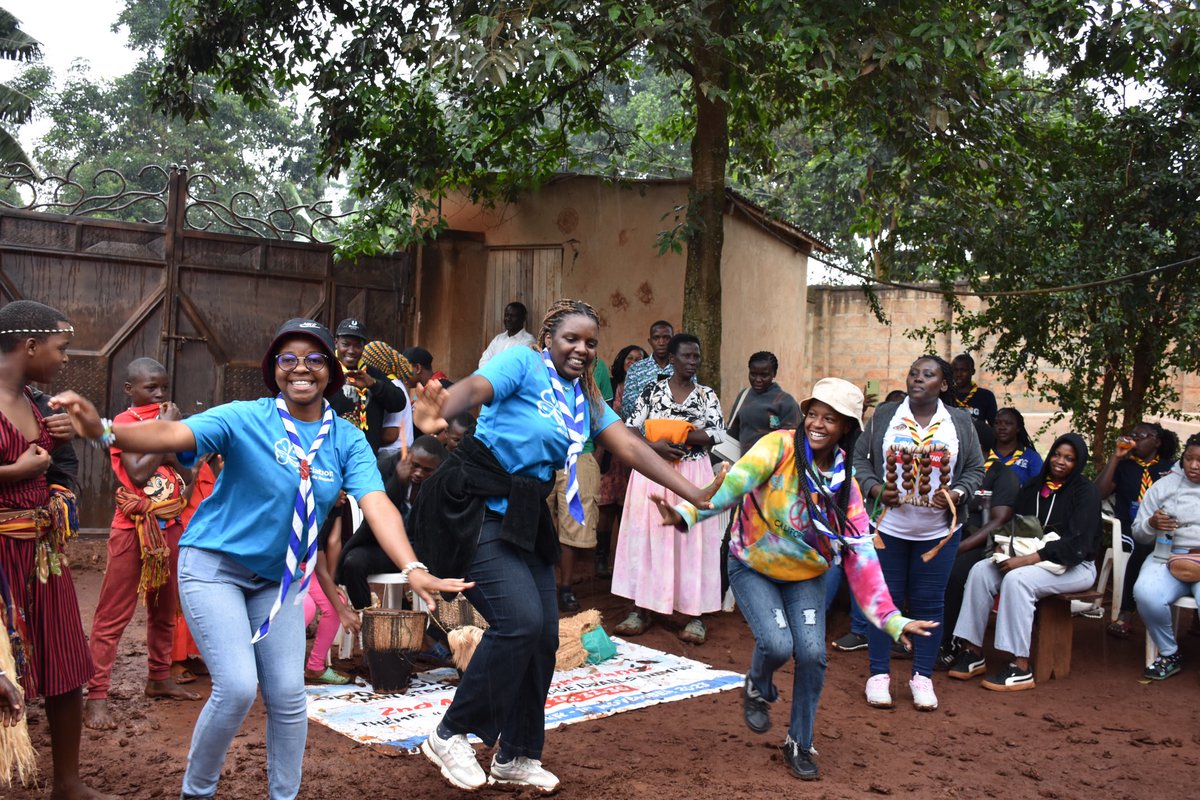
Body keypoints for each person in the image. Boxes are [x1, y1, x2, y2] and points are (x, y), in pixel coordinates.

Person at [50, 317, 469, 800]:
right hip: (215, 567)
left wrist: (413, 568)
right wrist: (101, 430)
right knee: (236, 687)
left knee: (290, 698)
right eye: (288, 359)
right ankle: (198, 792)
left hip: (281, 579)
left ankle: (283, 796)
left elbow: (376, 504)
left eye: (314, 359)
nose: (301, 369)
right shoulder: (243, 417)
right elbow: (169, 437)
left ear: (331, 371)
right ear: (275, 370)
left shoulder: (346, 440)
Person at [407, 299, 723, 794]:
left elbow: (633, 447)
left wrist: (698, 494)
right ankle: (450, 734)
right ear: (548, 338)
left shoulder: (585, 395)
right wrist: (443, 405)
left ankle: (516, 755)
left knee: (545, 638)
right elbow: (477, 386)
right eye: (571, 338)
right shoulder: (522, 363)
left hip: (524, 512)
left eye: (591, 343)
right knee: (520, 623)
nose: (581, 349)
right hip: (472, 504)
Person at [651, 378, 937, 780]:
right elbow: (735, 483)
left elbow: (862, 557)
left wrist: (892, 619)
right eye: (813, 414)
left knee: (814, 655)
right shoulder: (779, 446)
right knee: (776, 644)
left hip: (806, 576)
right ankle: (757, 682)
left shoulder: (845, 487)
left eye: (830, 418)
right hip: (753, 565)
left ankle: (799, 742)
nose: (817, 424)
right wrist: (686, 512)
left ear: (847, 428)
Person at [0, 299, 110, 800]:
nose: (64, 359)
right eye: (59, 348)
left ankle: (67, 782)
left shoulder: (44, 407)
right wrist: (14, 473)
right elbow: (27, 471)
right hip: (0, 561)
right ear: (29, 346)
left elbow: (65, 477)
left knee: (66, 664)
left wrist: (61, 453)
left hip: (43, 558)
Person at [853, 355, 985, 711]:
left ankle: (922, 677)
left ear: (943, 385)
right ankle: (879, 675)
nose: (917, 379)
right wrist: (875, 489)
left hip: (938, 534)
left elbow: (975, 468)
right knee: (885, 601)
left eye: (928, 375)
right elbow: (860, 460)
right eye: (914, 373)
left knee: (930, 604)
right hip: (888, 529)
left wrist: (957, 494)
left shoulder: (957, 422)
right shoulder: (885, 415)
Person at [83, 358, 200, 732]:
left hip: (171, 527)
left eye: (164, 388)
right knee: (112, 614)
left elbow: (189, 474)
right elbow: (135, 473)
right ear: (129, 389)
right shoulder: (121, 425)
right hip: (133, 530)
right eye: (151, 388)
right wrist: (165, 433)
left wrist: (170, 443)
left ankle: (159, 678)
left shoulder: (171, 421)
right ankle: (97, 695)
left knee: (165, 608)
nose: (160, 395)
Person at [949, 433, 1100, 691]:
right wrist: (1001, 548)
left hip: (1074, 566)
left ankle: (1019, 665)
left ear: (1079, 462)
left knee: (1017, 581)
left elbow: (1078, 544)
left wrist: (1026, 560)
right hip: (1026, 558)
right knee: (981, 571)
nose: (1060, 461)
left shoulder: (1085, 492)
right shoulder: (1033, 487)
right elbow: (1012, 527)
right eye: (1056, 454)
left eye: (1069, 458)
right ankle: (972, 651)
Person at [612, 333, 727, 644]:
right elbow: (630, 428)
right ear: (672, 359)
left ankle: (695, 614)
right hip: (653, 472)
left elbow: (717, 433)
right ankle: (640, 608)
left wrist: (680, 436)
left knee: (692, 540)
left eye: (696, 357)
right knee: (648, 537)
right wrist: (655, 447)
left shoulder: (706, 395)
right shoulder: (652, 390)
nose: (692, 362)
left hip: (694, 474)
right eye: (686, 356)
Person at [937, 422, 1020, 669]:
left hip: (978, 543)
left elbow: (999, 522)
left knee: (954, 574)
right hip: (942, 536)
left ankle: (950, 642)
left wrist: (958, 548)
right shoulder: (950, 471)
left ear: (979, 447)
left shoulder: (1003, 475)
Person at [337, 436, 449, 610]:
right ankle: (368, 618)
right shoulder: (387, 467)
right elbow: (376, 514)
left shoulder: (445, 478)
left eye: (427, 470)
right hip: (387, 547)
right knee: (353, 562)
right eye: (415, 466)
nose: (419, 473)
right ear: (408, 456)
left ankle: (432, 627)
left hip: (424, 550)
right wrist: (397, 481)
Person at [1095, 421, 1178, 639]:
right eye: (1132, 436)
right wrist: (1116, 457)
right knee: (1141, 544)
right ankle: (1126, 612)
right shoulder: (1124, 467)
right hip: (1129, 528)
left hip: (1164, 528)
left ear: (1157, 441)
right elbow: (1099, 494)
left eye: (1140, 436)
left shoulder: (1170, 469)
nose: (1134, 440)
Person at [1132, 433, 1200, 680]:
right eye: (1189, 458)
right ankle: (1170, 653)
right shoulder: (1164, 486)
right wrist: (1151, 522)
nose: (1193, 466)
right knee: (1146, 592)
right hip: (1165, 555)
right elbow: (1139, 533)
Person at [551, 356, 612, 612]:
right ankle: (541, 585)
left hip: (581, 455)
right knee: (537, 522)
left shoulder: (598, 369)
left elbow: (603, 415)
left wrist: (595, 456)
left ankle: (565, 588)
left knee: (574, 526)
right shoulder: (535, 365)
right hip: (542, 454)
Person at [596, 344, 647, 577]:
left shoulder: (648, 388)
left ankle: (625, 563)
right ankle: (601, 559)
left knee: (630, 508)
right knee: (606, 507)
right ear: (622, 361)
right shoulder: (612, 385)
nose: (634, 362)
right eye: (630, 358)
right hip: (611, 455)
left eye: (640, 359)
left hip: (636, 455)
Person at [329, 320, 408, 453]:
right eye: (345, 344)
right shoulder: (327, 371)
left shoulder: (373, 374)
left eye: (357, 346)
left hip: (365, 455)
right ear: (336, 342)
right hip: (331, 452)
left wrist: (373, 384)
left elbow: (399, 402)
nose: (351, 351)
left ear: (364, 347)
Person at [726, 351, 802, 455]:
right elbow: (732, 433)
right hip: (744, 467)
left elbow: (794, 441)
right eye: (753, 374)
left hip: (775, 468)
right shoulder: (744, 396)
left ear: (774, 374)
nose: (758, 380)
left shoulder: (786, 402)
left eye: (764, 375)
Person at [362, 340, 415, 456]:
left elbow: (391, 434)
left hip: (392, 454)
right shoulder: (392, 384)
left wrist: (364, 434)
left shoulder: (393, 387)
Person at [620, 320, 676, 419]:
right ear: (650, 341)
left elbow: (691, 404)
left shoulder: (682, 368)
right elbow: (627, 408)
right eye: (656, 338)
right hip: (643, 432)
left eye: (666, 338)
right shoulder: (636, 369)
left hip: (675, 431)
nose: (661, 342)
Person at [988, 407, 1043, 487]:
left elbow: (1037, 487)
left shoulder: (1031, 457)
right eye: (997, 423)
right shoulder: (984, 453)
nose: (1001, 427)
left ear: (1018, 428)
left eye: (1008, 423)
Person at [479, 301, 535, 367]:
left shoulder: (528, 341)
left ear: (523, 318)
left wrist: (493, 371)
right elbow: (483, 361)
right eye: (506, 315)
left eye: (513, 316)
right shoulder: (498, 339)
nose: (508, 319)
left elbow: (514, 367)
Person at [950, 354, 998, 427]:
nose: (959, 374)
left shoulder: (986, 396)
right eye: (955, 370)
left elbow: (993, 424)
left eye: (964, 370)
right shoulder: (946, 395)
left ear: (973, 371)